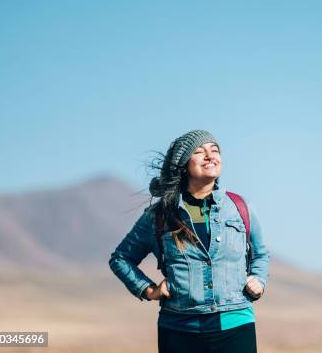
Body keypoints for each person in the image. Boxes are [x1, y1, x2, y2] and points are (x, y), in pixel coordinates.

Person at [109, 130, 270, 353]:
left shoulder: (240, 208)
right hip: (178, 329)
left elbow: (261, 254)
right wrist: (148, 290)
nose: (210, 156)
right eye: (199, 151)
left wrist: (259, 280)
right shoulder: (160, 215)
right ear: (184, 165)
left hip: (235, 325)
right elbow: (121, 258)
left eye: (214, 150)